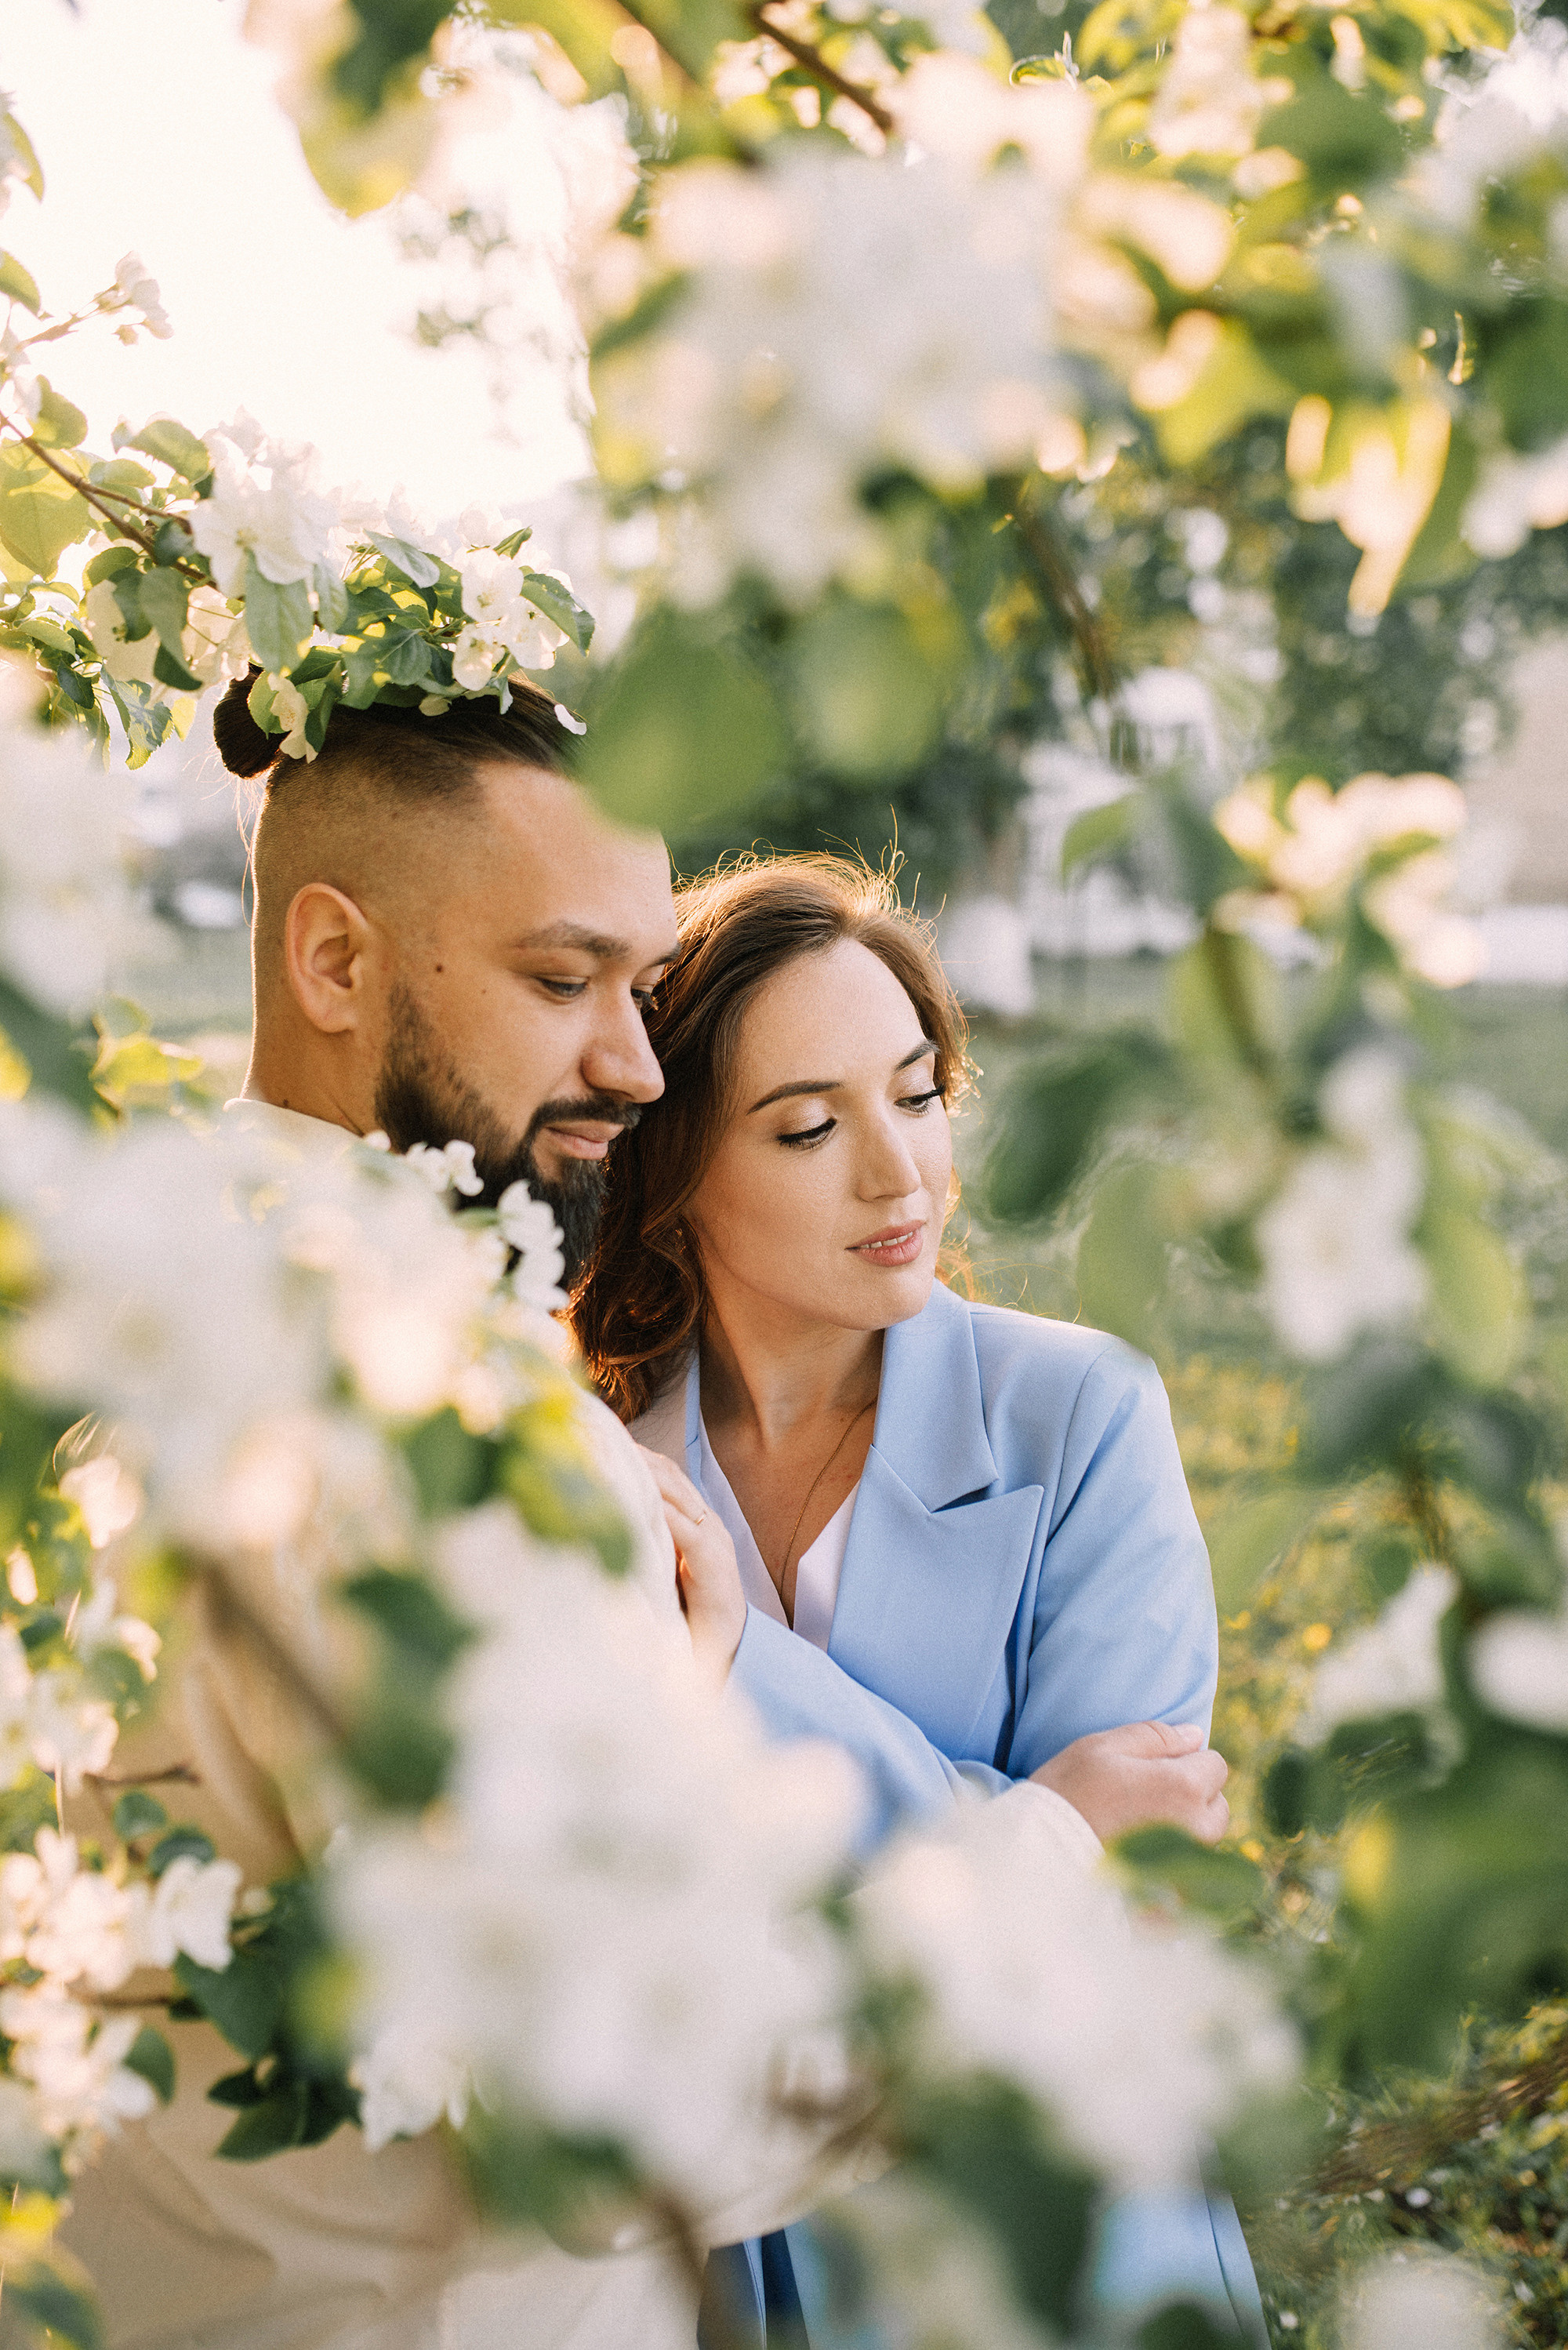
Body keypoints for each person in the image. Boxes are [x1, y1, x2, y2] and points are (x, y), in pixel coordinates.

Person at [61, 683, 1197, 2350]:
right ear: (334, 961)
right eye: (559, 978)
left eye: (641, 984)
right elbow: (623, 2112)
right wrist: (1051, 1849)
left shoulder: (144, 1318)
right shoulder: (454, 1437)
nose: (633, 1060)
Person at [572, 854, 1264, 2341]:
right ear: (672, 1177)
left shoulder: (1081, 1418)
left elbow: (1117, 1918)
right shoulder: (603, 1472)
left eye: (918, 1093)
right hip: (726, 2250)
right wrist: (1041, 1824)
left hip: (1050, 2248)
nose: (902, 1173)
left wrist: (736, 1663)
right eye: (810, 1126)